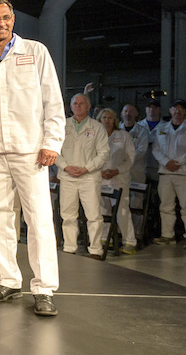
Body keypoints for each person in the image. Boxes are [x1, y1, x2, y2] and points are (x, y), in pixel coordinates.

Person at [0, 0, 66, 317]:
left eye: (6, 18)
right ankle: (8, 279)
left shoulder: (35, 52)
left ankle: (44, 287)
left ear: (13, 19)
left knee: (37, 218)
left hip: (31, 150)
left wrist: (52, 141)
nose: (2, 24)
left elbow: (53, 101)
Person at [57, 93, 109, 259]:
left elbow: (103, 153)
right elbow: (54, 150)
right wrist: (66, 167)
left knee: (93, 215)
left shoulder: (97, 127)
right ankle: (69, 247)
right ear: (71, 107)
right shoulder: (62, 126)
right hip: (68, 177)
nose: (78, 106)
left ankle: (95, 250)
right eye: (75, 103)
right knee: (68, 215)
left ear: (88, 106)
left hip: (89, 178)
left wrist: (87, 168)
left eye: (81, 103)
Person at [152, 99, 186, 248]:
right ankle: (167, 235)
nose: (178, 111)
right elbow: (155, 148)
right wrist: (166, 162)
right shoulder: (162, 128)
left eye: (181, 109)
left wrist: (177, 162)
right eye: (175, 108)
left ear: (185, 111)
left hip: (184, 173)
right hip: (165, 172)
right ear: (170, 110)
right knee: (166, 206)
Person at [97, 108, 137, 254]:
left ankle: (130, 241)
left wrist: (117, 170)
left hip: (118, 179)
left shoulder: (123, 135)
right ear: (99, 120)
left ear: (115, 120)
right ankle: (105, 237)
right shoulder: (96, 136)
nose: (107, 120)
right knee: (103, 210)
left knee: (122, 211)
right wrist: (99, 171)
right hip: (101, 178)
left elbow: (130, 158)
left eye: (110, 117)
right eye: (104, 117)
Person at [120, 104, 150, 185]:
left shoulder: (142, 131)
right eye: (125, 111)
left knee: (136, 196)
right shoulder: (116, 130)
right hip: (119, 169)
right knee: (120, 195)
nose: (128, 114)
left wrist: (126, 159)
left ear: (136, 114)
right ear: (121, 113)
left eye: (131, 111)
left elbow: (141, 151)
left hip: (136, 169)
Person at [138, 99, 163, 183]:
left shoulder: (166, 127)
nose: (152, 110)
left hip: (158, 165)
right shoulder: (138, 126)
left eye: (155, 108)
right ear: (145, 109)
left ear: (159, 110)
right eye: (149, 108)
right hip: (140, 165)